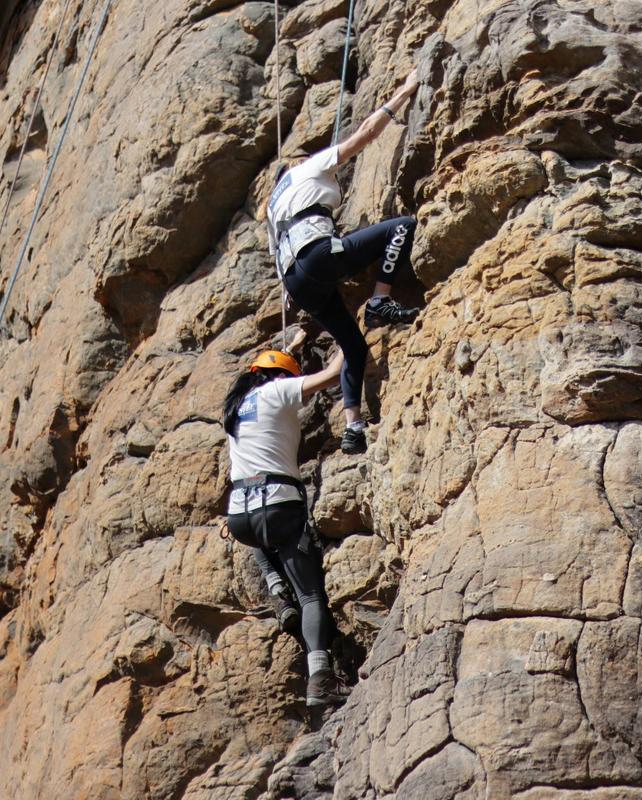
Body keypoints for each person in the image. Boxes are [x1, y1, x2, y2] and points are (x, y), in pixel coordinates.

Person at [268, 68, 423, 455]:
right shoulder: (307, 169)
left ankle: (353, 426)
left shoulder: (274, 207)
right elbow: (366, 134)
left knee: (352, 345)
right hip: (316, 256)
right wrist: (404, 92)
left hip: (297, 283)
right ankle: (379, 300)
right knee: (401, 227)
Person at [222, 335, 348, 706]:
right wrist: (347, 334)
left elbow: (274, 371)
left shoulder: (236, 405)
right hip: (277, 504)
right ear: (280, 377)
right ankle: (320, 679)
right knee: (310, 595)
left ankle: (276, 587)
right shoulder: (278, 391)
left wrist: (291, 347)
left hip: (240, 514)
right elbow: (330, 375)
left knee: (263, 537)